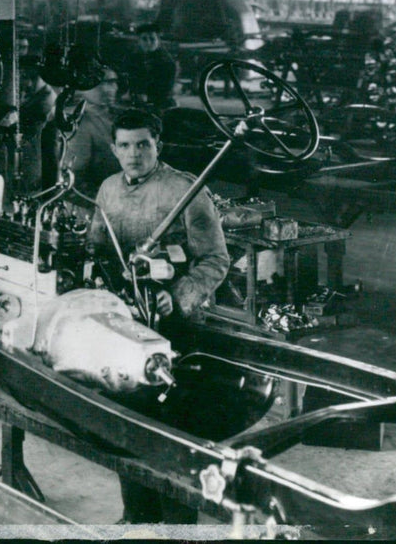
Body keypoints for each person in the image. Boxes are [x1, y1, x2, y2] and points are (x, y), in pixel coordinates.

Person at [88, 106, 230, 525]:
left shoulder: (185, 191)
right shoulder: (108, 189)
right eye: (126, 146)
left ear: (158, 145)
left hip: (177, 329)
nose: (134, 154)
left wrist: (178, 295)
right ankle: (137, 516)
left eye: (143, 145)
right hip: (123, 328)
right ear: (114, 149)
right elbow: (96, 252)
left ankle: (178, 527)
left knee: (173, 434)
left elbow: (216, 260)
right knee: (124, 423)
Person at [65, 65, 121, 198]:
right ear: (82, 88)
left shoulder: (117, 115)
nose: (109, 89)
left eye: (113, 82)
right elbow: (74, 181)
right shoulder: (80, 123)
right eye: (100, 83)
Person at [18, 56, 57, 193]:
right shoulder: (38, 92)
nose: (27, 84)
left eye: (27, 77)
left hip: (40, 151)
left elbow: (31, 120)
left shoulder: (46, 97)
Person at [131, 23, 177, 112]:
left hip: (160, 104)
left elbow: (165, 89)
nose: (148, 43)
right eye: (144, 39)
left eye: (152, 39)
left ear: (158, 41)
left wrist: (144, 95)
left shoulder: (166, 62)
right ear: (139, 41)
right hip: (138, 101)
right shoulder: (134, 59)